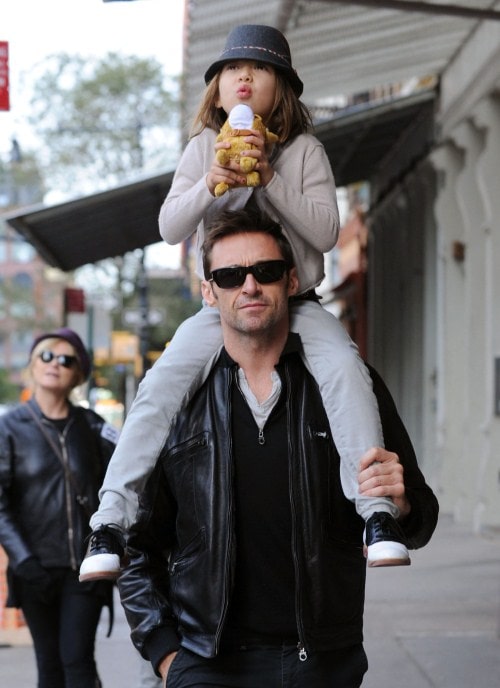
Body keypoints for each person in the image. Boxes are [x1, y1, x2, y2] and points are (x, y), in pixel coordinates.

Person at [80, 24, 408, 583]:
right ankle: (110, 523)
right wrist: (210, 183)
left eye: (259, 70)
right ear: (217, 89)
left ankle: (376, 514)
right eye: (233, 68)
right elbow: (169, 226)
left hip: (297, 301)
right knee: (159, 387)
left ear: (282, 90)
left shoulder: (304, 150)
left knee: (345, 369)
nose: (245, 78)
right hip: (222, 308)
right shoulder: (202, 147)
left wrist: (271, 177)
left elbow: (327, 232)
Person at [117, 210, 439, 687]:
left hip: (321, 662)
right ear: (209, 291)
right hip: (207, 663)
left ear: (291, 281)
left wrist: (401, 502)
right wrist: (165, 653)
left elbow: (421, 517)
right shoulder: (178, 401)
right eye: (230, 276)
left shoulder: (349, 387)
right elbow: (135, 541)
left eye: (265, 271)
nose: (249, 286)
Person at [0, 328, 119, 688]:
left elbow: (119, 486)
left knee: (77, 660)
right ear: (33, 364)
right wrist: (23, 560)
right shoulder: (9, 428)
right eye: (47, 356)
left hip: (84, 569)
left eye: (66, 360)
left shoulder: (93, 426)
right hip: (33, 568)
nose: (55, 364)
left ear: (78, 374)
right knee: (49, 666)